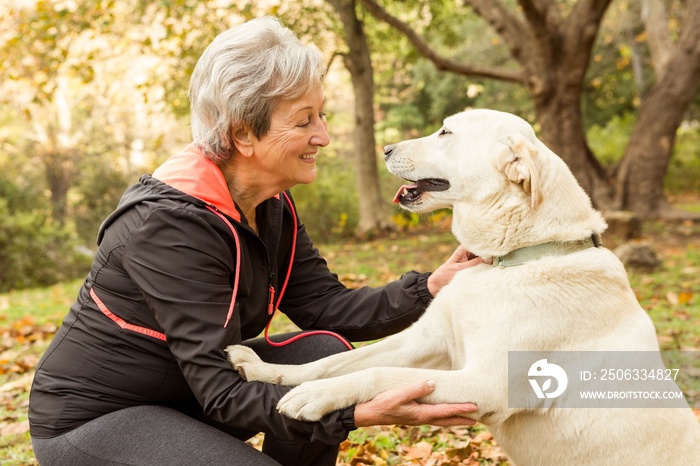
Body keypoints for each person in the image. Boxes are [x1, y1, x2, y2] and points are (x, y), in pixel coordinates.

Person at [28, 16, 481, 466]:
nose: (322, 136)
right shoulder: (167, 227)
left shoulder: (269, 202)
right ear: (243, 132)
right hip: (99, 419)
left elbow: (325, 307)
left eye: (321, 115)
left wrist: (432, 287)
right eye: (305, 121)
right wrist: (354, 411)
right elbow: (223, 393)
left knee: (322, 351)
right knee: (320, 397)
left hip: (192, 395)